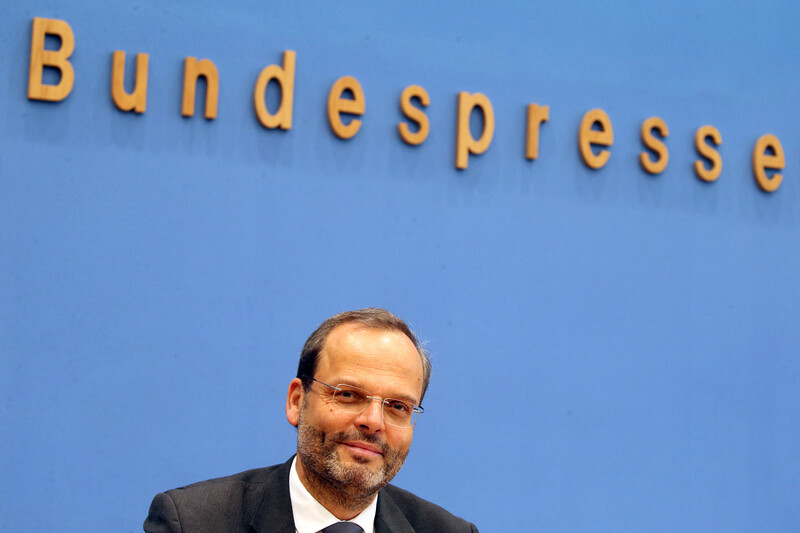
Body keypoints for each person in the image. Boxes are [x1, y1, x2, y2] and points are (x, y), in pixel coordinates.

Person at [144, 308, 478, 532]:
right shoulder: (193, 522)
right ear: (297, 401)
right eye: (348, 394)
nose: (373, 421)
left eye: (397, 406)